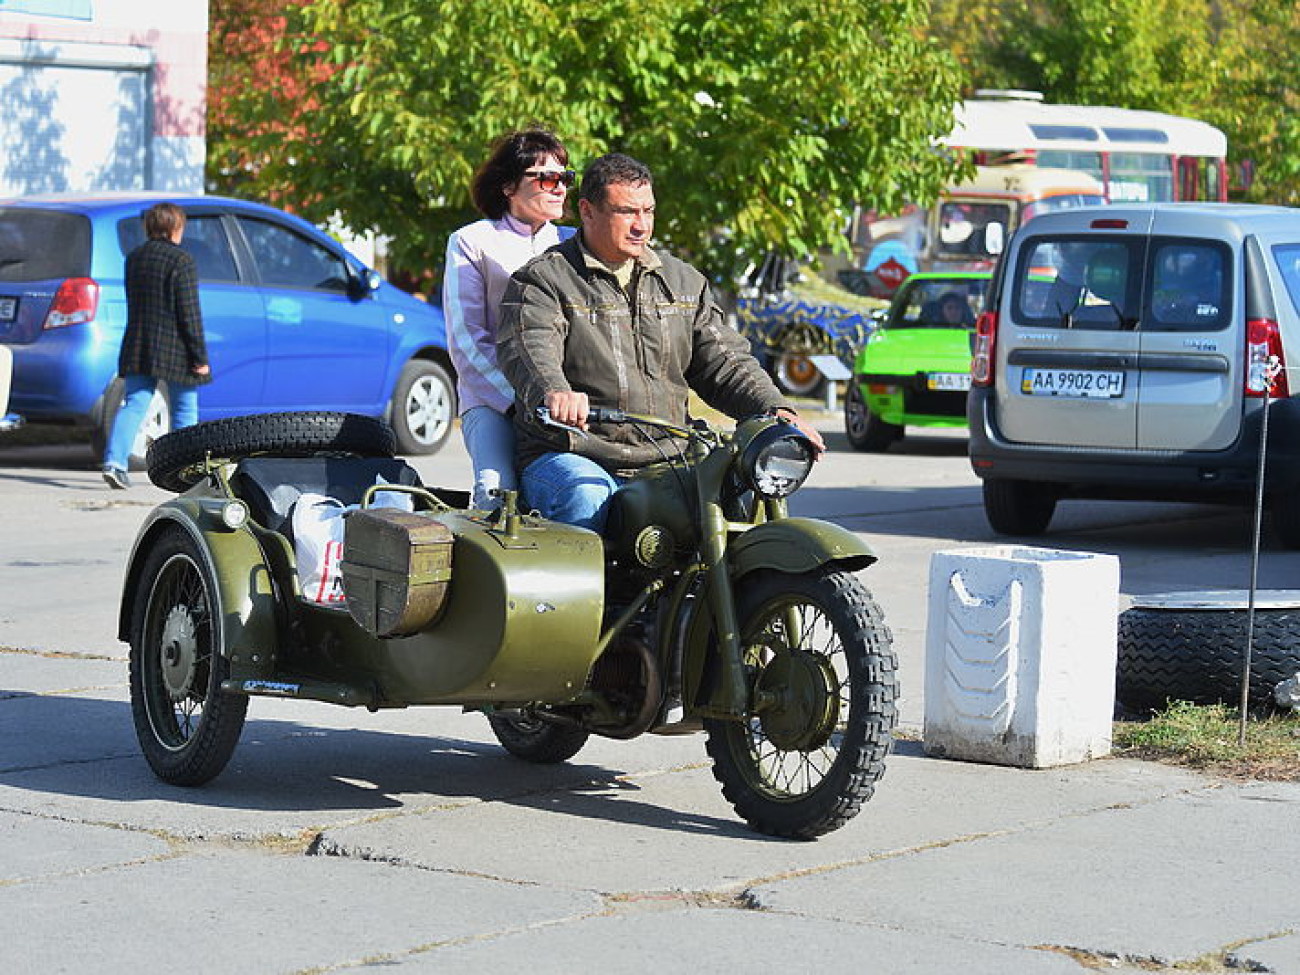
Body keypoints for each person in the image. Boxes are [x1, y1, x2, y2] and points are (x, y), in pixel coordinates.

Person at [497, 152, 825, 533]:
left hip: (669, 452)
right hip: (575, 451)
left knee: (743, 490)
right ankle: (571, 595)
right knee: (584, 495)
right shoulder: (545, 280)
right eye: (627, 212)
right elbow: (530, 346)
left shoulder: (683, 282)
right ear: (587, 211)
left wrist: (775, 408)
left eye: (648, 212)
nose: (641, 225)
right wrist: (554, 392)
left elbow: (725, 360)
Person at [442, 129, 576, 509]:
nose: (560, 188)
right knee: (495, 491)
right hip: (493, 400)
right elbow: (466, 339)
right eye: (547, 177)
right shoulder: (472, 241)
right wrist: (521, 401)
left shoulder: (574, 245)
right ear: (508, 186)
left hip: (569, 403)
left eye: (565, 177)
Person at [101, 202, 209, 489]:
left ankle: (115, 463)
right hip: (177, 348)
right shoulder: (181, 260)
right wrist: (199, 355)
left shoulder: (135, 258)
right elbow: (189, 313)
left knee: (134, 403)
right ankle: (186, 470)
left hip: (140, 343)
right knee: (185, 409)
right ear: (175, 227)